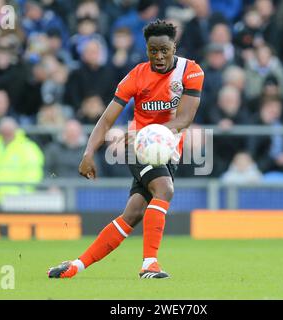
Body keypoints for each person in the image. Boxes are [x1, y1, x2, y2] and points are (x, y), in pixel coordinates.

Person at [48, 20, 205, 279]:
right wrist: (88, 153)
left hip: (167, 150)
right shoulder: (136, 76)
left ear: (173, 46)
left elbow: (185, 118)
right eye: (153, 50)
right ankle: (149, 265)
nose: (159, 56)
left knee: (132, 214)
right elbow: (107, 119)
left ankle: (77, 265)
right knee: (165, 190)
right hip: (140, 147)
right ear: (146, 49)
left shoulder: (191, 71)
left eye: (164, 50)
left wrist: (153, 132)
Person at [0, 117, 44, 202]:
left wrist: (22, 194)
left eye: (9, 132)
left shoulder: (28, 148)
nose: (6, 134)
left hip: (19, 200)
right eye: (4, 132)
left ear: (16, 131)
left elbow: (33, 175)